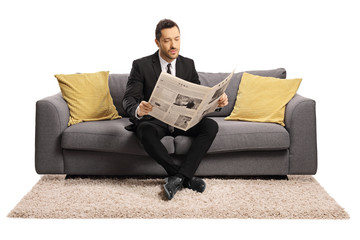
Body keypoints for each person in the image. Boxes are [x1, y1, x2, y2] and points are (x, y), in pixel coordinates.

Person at [122, 19, 228, 200]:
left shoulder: (188, 64)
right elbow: (128, 99)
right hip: (155, 121)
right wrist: (139, 109)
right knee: (144, 131)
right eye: (167, 40)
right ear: (157, 42)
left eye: (177, 39)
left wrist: (216, 102)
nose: (173, 45)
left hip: (182, 121)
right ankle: (184, 177)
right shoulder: (141, 65)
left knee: (211, 126)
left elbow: (198, 98)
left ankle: (178, 178)